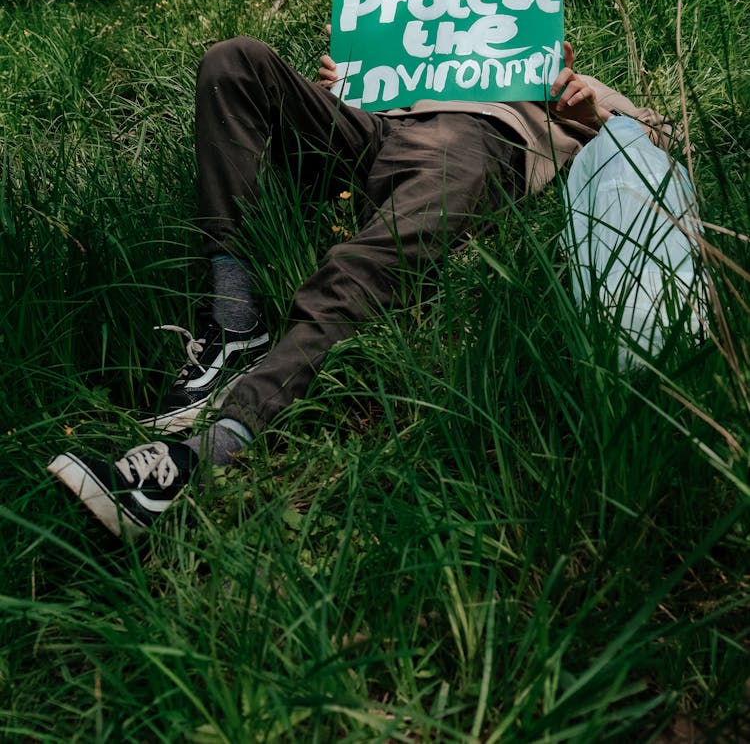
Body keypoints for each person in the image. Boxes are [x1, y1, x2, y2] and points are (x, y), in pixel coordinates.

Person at [48, 33, 669, 540]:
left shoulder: (550, 66)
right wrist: (349, 86)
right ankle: (234, 321)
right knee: (232, 61)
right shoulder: (400, 51)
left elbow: (665, 141)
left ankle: (208, 449)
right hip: (370, 130)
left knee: (367, 262)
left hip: (470, 138)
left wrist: (595, 110)